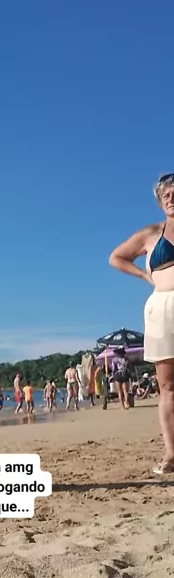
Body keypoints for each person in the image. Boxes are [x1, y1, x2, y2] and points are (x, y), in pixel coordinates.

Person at [109, 172, 174, 474]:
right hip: (162, 307)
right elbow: (117, 257)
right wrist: (145, 276)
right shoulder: (151, 232)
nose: (171, 198)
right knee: (167, 385)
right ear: (160, 202)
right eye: (166, 195)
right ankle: (171, 453)